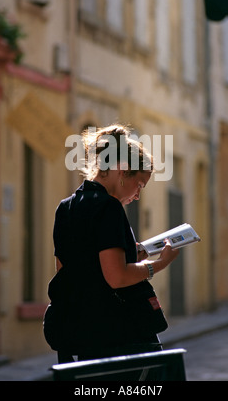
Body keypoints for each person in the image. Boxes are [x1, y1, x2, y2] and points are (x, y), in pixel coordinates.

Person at [44, 124, 179, 378]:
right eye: (140, 184)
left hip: (79, 338)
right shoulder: (109, 208)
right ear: (122, 172)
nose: (138, 195)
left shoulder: (66, 208)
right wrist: (160, 263)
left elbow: (68, 272)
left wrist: (131, 255)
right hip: (117, 338)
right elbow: (116, 277)